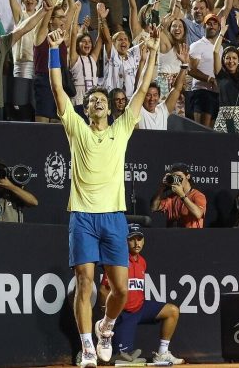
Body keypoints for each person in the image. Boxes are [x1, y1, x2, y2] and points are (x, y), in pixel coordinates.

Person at [47, 25, 160, 368]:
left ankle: (106, 328)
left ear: (109, 110)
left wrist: (152, 50)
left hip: (113, 217)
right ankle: (88, 347)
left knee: (121, 292)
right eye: (91, 99)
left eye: (102, 99)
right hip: (82, 215)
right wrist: (54, 50)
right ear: (85, 108)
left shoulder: (121, 129)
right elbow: (56, 89)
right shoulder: (76, 128)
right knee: (84, 283)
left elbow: (142, 89)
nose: (96, 101)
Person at [99, 224, 184, 365]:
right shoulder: (118, 261)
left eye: (139, 239)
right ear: (125, 241)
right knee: (121, 358)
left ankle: (162, 353)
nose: (136, 243)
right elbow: (103, 289)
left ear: (143, 241)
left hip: (141, 308)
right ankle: (91, 353)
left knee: (172, 311)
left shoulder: (142, 262)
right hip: (124, 313)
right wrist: (108, 313)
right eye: (132, 239)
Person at [150, 163, 206, 228]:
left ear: (187, 176)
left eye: (179, 176)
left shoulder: (197, 195)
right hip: (172, 235)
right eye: (174, 177)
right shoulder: (172, 197)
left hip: (192, 236)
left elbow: (198, 214)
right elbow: (154, 208)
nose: (177, 179)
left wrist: (182, 195)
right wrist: (162, 188)